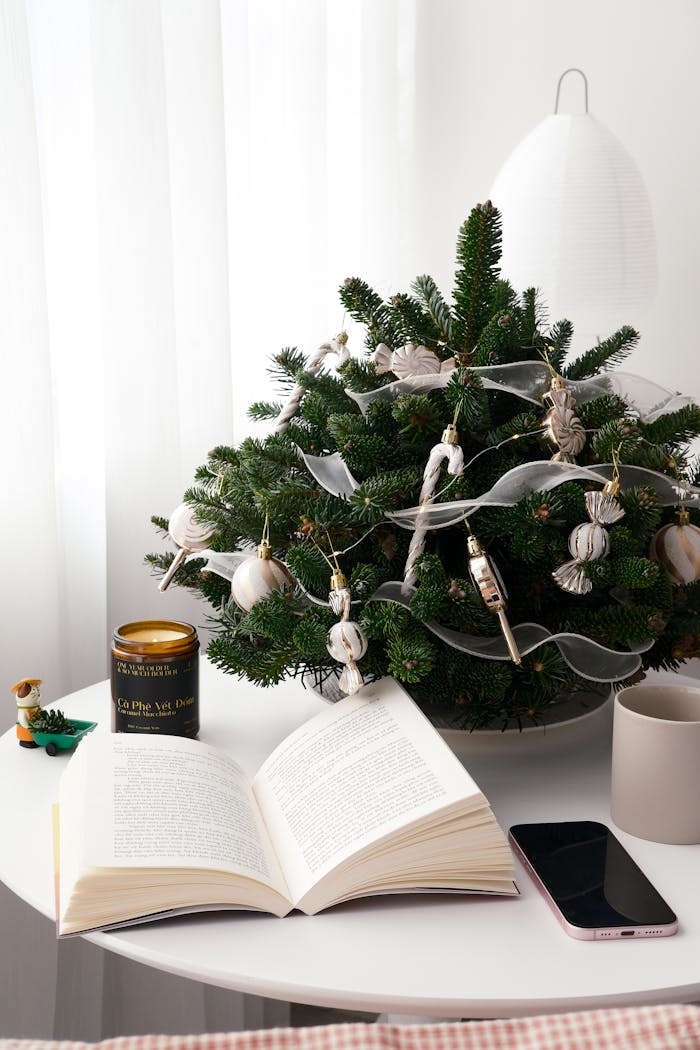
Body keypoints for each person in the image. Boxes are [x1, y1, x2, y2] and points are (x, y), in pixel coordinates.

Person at [11, 678, 42, 748]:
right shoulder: (23, 710)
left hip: (36, 731)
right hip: (26, 732)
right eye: (33, 690)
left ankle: (35, 740)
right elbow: (23, 720)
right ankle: (26, 741)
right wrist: (31, 727)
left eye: (37, 689)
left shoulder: (36, 707)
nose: (37, 692)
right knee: (28, 736)